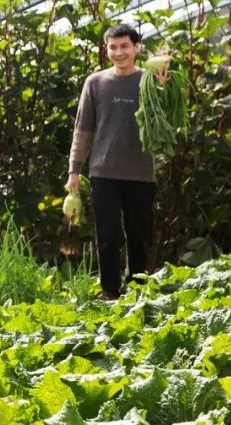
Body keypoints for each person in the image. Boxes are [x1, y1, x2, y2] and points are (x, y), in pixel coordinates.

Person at [67, 22, 169, 300]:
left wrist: (163, 89)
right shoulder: (95, 83)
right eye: (113, 47)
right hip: (103, 172)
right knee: (108, 236)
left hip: (141, 173)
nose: (118, 52)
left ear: (137, 48)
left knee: (139, 236)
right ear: (107, 50)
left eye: (125, 46)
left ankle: (138, 290)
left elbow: (165, 120)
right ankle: (110, 292)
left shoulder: (149, 80)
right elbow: (83, 129)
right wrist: (74, 169)